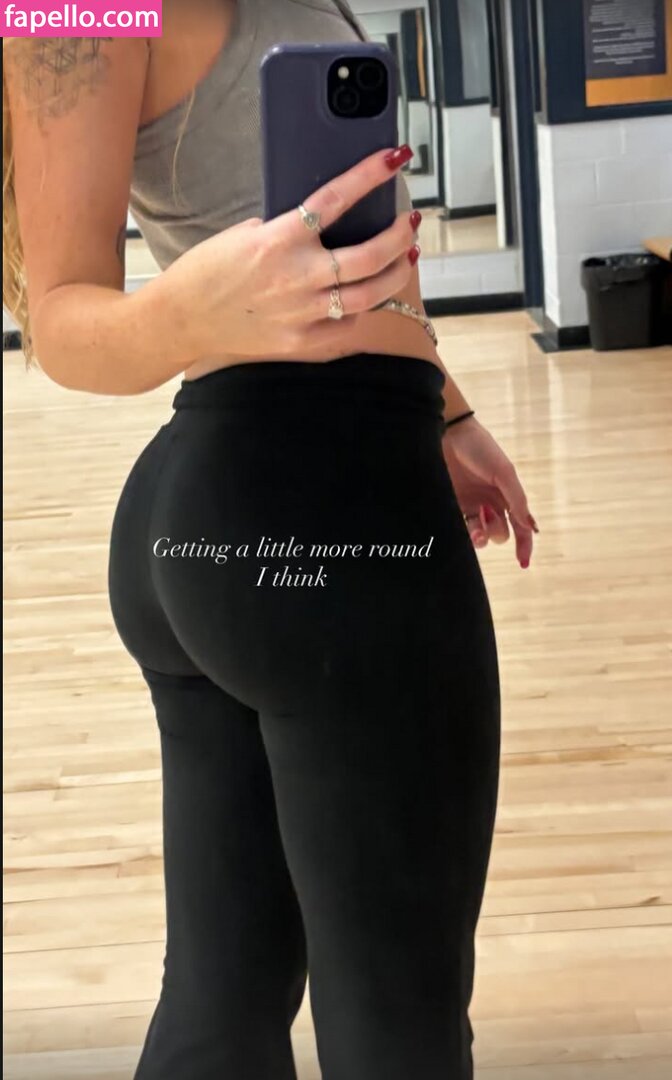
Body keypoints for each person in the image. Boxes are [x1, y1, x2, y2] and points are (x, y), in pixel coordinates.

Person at [3, 3, 539, 1078]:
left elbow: (353, 259)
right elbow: (55, 314)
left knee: (226, 996)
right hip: (325, 520)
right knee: (398, 1016)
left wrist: (443, 408)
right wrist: (191, 311)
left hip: (228, 517)